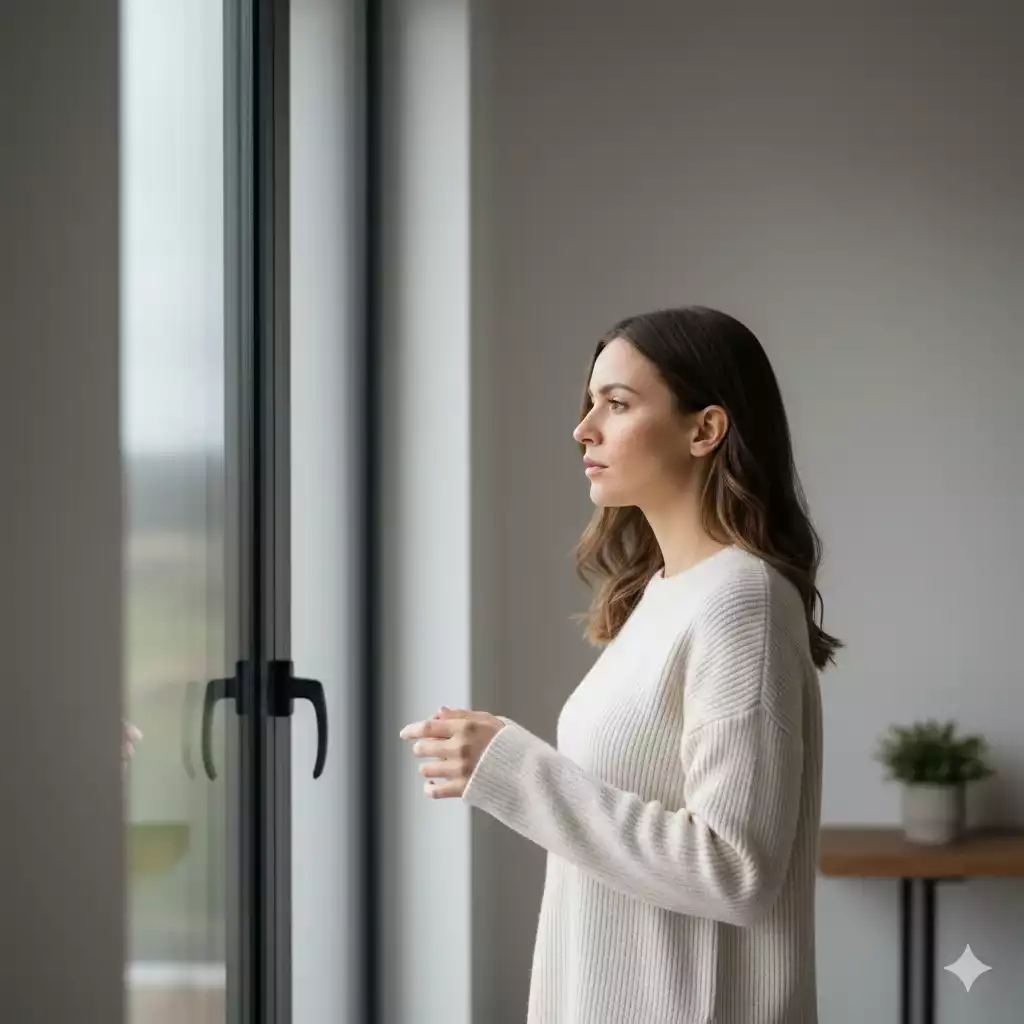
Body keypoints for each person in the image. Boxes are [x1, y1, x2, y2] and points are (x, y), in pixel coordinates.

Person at [399, 305, 839, 1023]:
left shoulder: (742, 602)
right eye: (590, 403)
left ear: (705, 429)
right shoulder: (664, 598)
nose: (584, 428)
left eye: (618, 404)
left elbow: (736, 871)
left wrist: (513, 768)